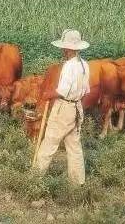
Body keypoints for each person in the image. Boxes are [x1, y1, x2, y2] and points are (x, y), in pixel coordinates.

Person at [34, 29, 90, 185]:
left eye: (63, 48)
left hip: (64, 108)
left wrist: (48, 95)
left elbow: (62, 91)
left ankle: (35, 178)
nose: (62, 50)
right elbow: (86, 91)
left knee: (49, 143)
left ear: (67, 49)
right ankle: (78, 183)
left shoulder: (69, 66)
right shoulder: (84, 65)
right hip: (77, 107)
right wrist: (75, 103)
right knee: (74, 147)